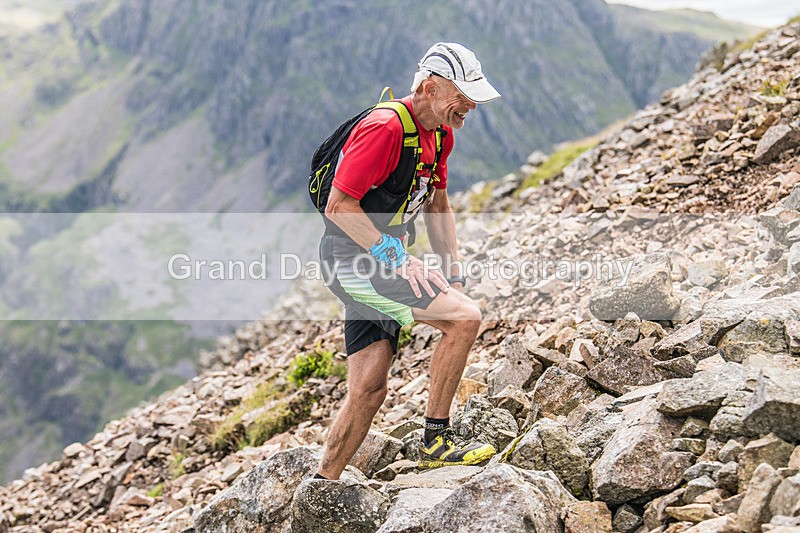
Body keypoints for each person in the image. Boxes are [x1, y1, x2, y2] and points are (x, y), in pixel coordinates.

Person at [315, 42, 501, 480]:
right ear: (429, 88)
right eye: (462, 95)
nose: (471, 105)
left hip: (378, 258)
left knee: (368, 389)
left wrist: (453, 273)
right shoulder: (384, 128)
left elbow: (438, 206)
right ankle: (436, 441)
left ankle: (320, 486)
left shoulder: (441, 133)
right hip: (354, 261)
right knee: (465, 319)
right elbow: (339, 206)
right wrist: (395, 258)